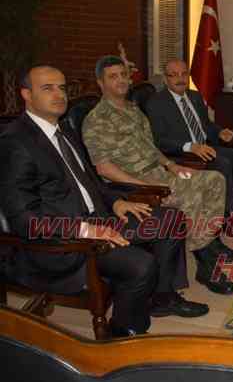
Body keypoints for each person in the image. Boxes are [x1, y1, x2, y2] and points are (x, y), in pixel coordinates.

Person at [0, 65, 209, 337]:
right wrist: (87, 230)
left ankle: (162, 297)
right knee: (140, 264)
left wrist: (116, 202)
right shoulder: (15, 143)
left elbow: (90, 183)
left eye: (62, 87)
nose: (59, 95)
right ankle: (122, 333)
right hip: (62, 241)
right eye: (47, 88)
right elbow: (24, 220)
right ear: (26, 94)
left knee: (172, 220)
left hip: (97, 218)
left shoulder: (62, 131)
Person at [82, 56, 233, 295]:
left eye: (123, 75)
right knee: (193, 195)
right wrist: (143, 185)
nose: (121, 80)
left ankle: (203, 244)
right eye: (113, 77)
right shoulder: (96, 120)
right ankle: (206, 264)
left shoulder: (133, 109)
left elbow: (151, 147)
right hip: (135, 186)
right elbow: (104, 168)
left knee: (214, 179)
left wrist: (172, 166)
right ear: (100, 83)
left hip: (159, 173)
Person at [145, 59, 233, 224]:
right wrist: (191, 147)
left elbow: (206, 125)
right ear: (165, 79)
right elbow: (159, 141)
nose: (180, 79)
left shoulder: (194, 96)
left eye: (184, 74)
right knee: (222, 163)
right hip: (183, 153)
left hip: (205, 147)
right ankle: (226, 216)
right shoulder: (156, 103)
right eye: (174, 75)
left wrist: (220, 132)